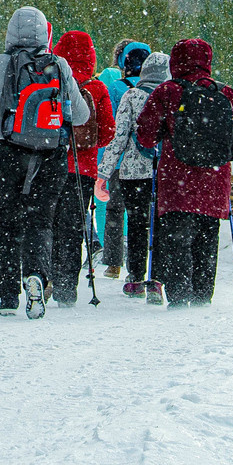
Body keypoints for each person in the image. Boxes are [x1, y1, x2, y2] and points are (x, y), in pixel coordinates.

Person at [0, 5, 87, 318]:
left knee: (7, 220)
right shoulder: (58, 64)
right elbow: (82, 114)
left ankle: (7, 294)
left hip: (5, 151)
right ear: (45, 32)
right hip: (50, 152)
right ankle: (36, 276)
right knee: (41, 221)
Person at [133, 38, 233, 308]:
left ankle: (179, 300)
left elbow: (146, 134)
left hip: (177, 183)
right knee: (206, 244)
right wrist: (221, 152)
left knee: (177, 244)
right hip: (214, 185)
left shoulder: (168, 91)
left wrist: (165, 136)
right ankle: (201, 300)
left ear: (176, 61)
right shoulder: (225, 93)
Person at [46, 29, 115, 306]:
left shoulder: (51, 80)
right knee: (73, 228)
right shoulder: (97, 88)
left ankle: (45, 275)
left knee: (48, 223)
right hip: (83, 171)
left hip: (51, 163)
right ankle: (66, 289)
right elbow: (108, 132)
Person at [100, 48, 165, 297]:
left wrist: (104, 173)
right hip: (163, 174)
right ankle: (156, 281)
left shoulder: (132, 95)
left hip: (132, 173)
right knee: (159, 227)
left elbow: (119, 138)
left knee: (137, 225)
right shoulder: (171, 96)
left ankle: (136, 278)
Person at [94, 43, 151, 278]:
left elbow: (112, 126)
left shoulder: (116, 87)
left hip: (119, 162)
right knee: (141, 215)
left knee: (114, 211)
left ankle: (114, 262)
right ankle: (139, 266)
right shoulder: (155, 90)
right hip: (146, 163)